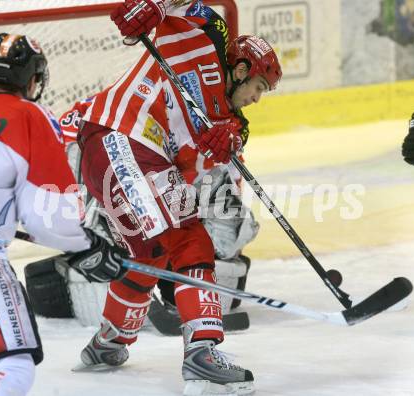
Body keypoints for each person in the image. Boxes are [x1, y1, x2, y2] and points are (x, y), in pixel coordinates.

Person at [77, 0, 282, 395]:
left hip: (134, 157)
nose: (258, 98)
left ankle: (110, 343)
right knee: (177, 237)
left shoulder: (231, 122)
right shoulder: (208, 36)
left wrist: (229, 144)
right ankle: (200, 355)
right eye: (259, 87)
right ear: (241, 70)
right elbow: (184, 3)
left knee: (163, 247)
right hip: (118, 134)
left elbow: (212, 156)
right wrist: (153, 4)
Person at [0, 33, 130, 396]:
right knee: (9, 365)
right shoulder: (29, 116)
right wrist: (89, 246)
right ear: (34, 79)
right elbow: (50, 216)